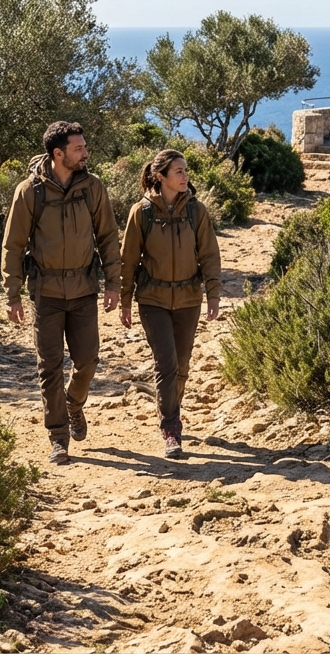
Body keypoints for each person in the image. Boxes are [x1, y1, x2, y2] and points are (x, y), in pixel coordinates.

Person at [2, 121, 122, 465]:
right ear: (58, 153)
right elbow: (13, 245)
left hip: (84, 290)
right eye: (79, 148)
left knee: (87, 360)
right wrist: (12, 293)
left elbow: (108, 237)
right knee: (49, 367)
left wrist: (113, 283)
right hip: (47, 293)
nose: (86, 153)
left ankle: (74, 404)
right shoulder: (30, 192)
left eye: (84, 147)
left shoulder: (93, 187)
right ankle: (58, 437)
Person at [119, 148, 222, 459]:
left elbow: (209, 255)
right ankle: (171, 430)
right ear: (160, 176)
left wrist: (213, 295)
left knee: (182, 365)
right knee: (166, 364)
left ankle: (169, 408)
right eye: (178, 171)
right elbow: (128, 261)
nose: (185, 176)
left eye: (186, 170)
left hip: (189, 299)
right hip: (153, 300)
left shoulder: (196, 211)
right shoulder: (142, 213)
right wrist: (124, 300)